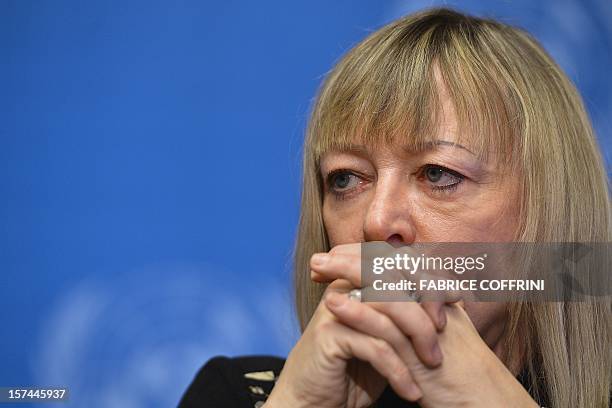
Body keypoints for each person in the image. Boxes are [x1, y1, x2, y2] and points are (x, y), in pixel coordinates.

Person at [179, 7, 611, 407]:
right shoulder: (238, 394)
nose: (377, 219)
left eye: (438, 174)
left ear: (549, 209)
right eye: (346, 179)